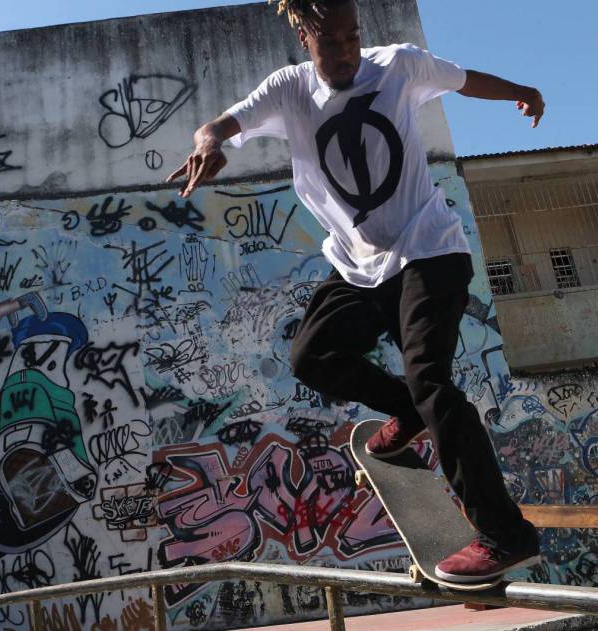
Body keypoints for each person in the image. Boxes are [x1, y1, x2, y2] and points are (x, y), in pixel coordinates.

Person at [167, 0, 544, 583]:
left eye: (351, 38)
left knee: (432, 381)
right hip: (361, 266)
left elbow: (467, 81)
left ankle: (504, 534)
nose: (344, 52)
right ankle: (405, 412)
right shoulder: (288, 89)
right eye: (329, 42)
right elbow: (222, 123)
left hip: (428, 251)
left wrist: (521, 89)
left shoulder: (398, 65)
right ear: (303, 37)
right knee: (311, 356)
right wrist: (209, 142)